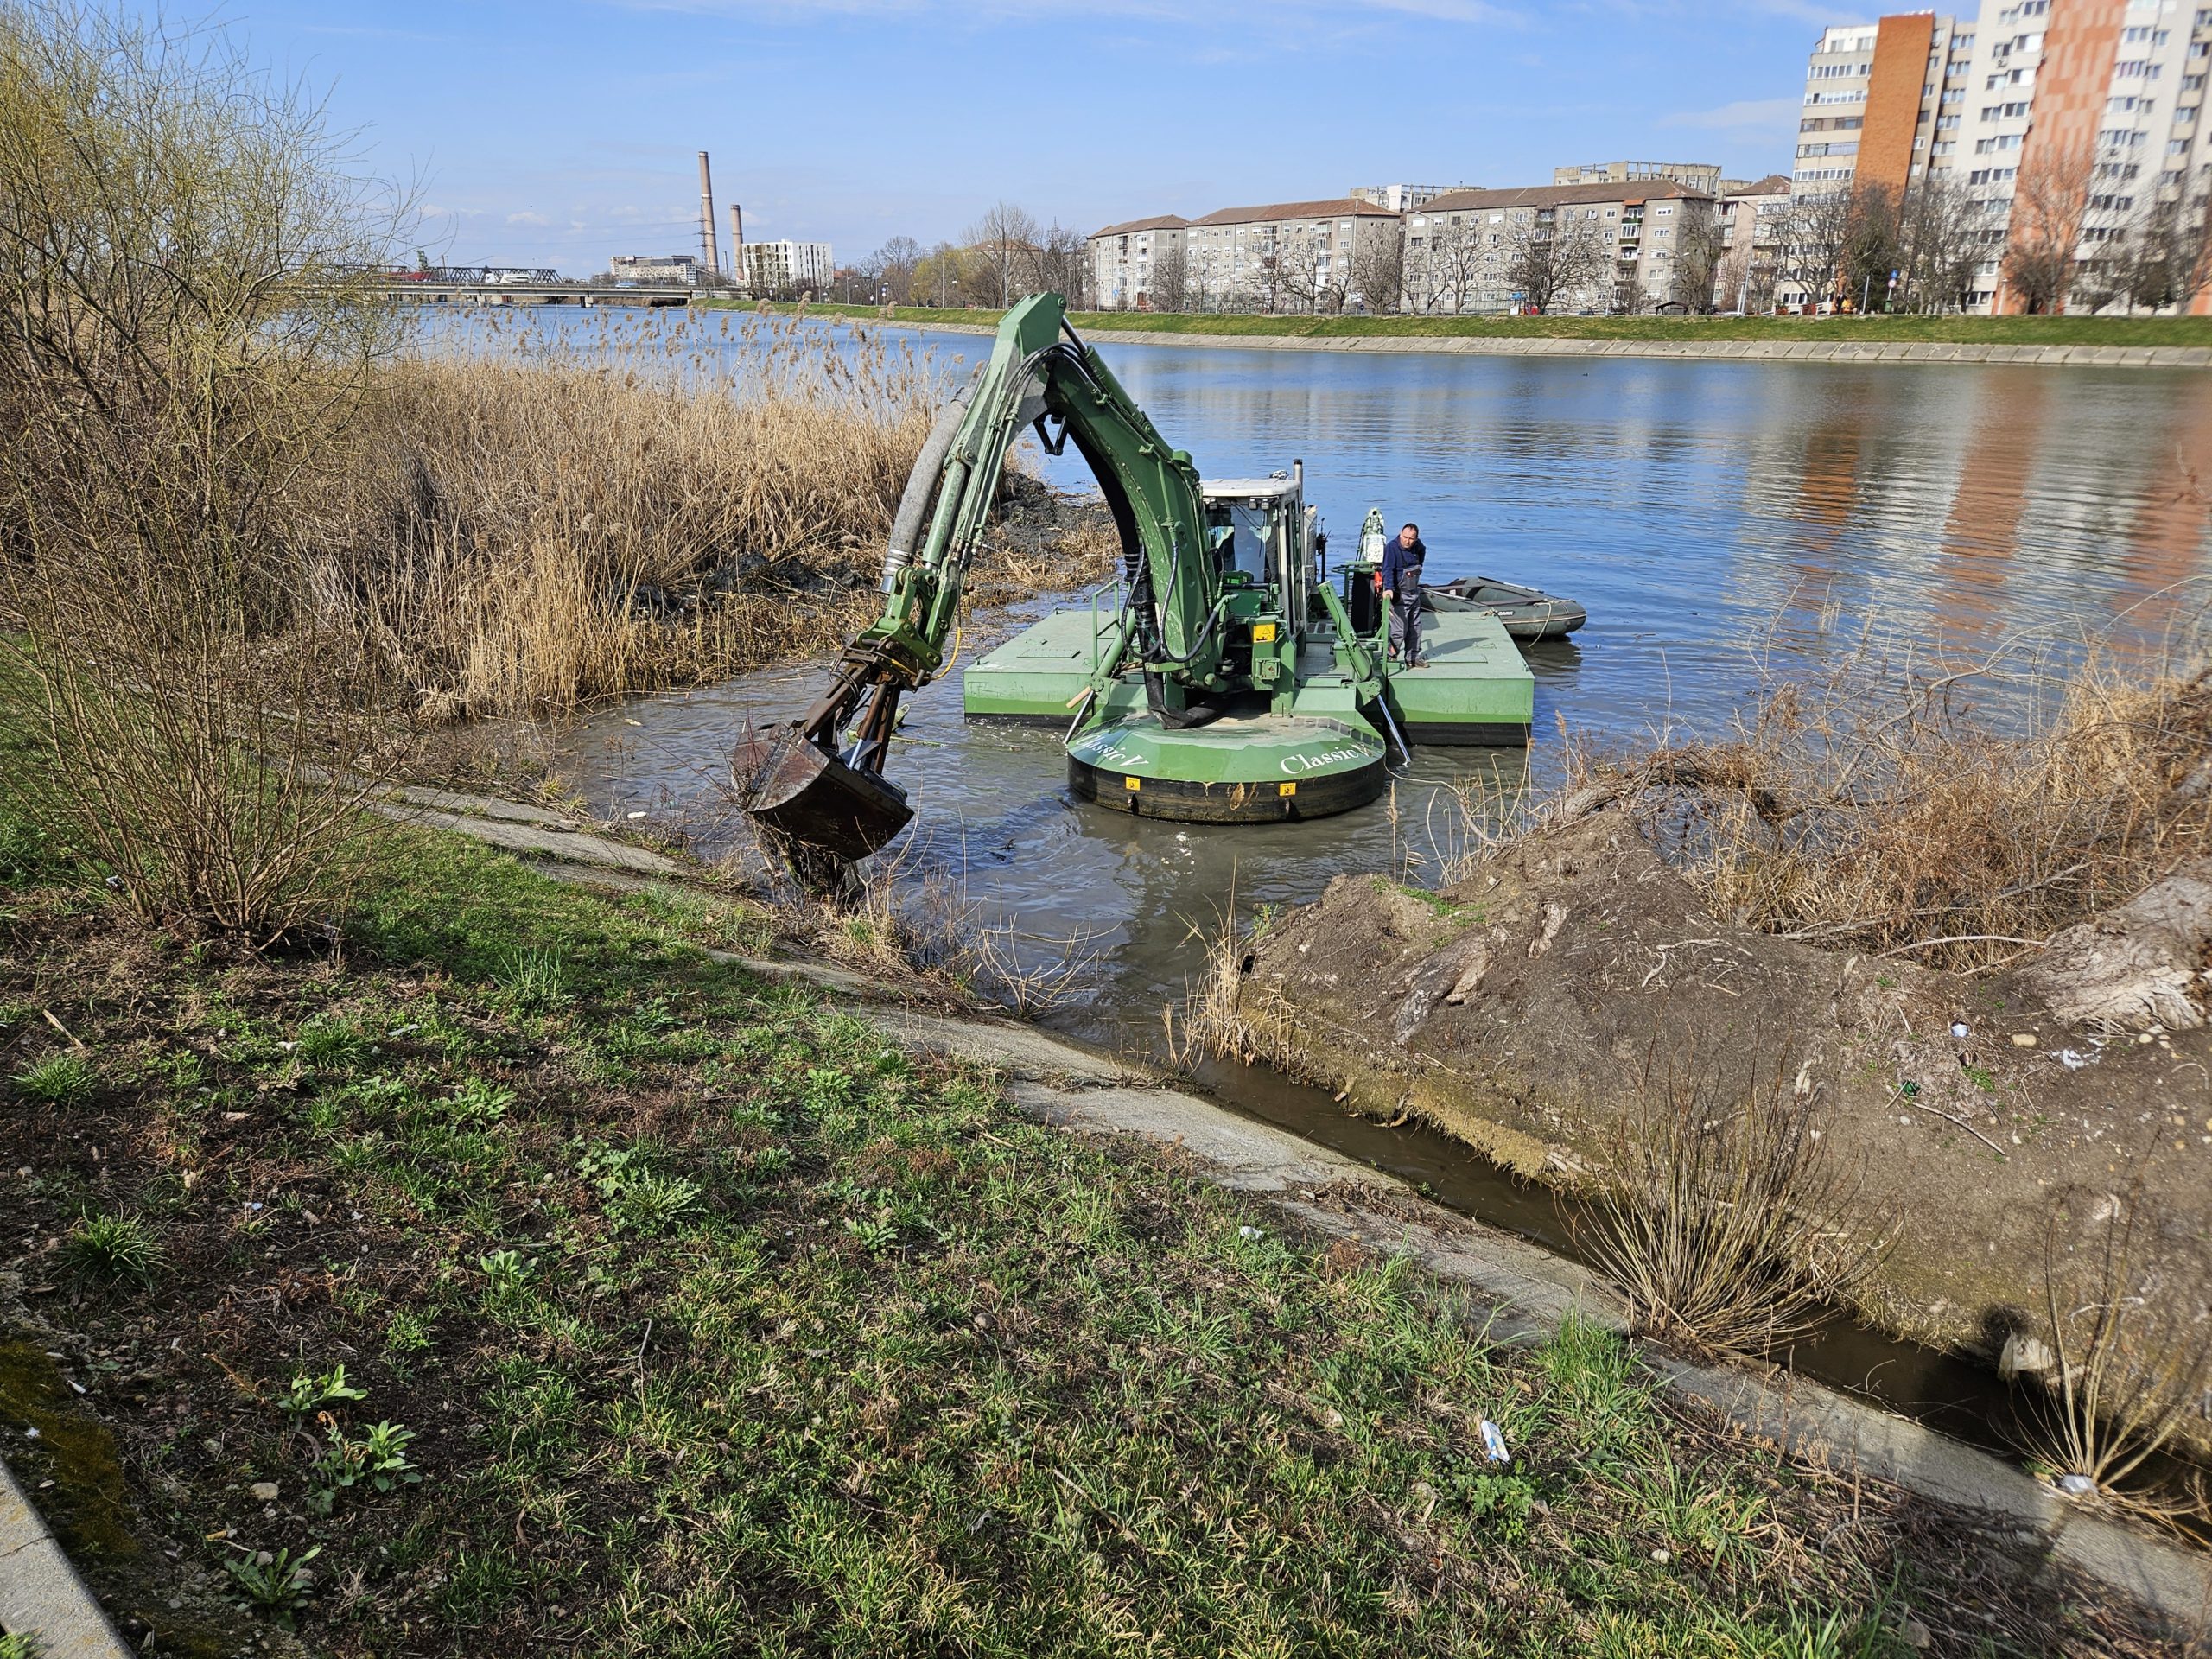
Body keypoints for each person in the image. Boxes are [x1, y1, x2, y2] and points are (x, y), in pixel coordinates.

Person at [1381, 521, 1427, 668]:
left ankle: (1413, 657)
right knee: (1399, 629)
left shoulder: (1419, 547)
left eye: (1411, 539)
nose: (1407, 541)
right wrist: (1388, 588)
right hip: (1399, 595)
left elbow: (1421, 559)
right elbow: (1387, 570)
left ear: (1416, 539)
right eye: (1405, 537)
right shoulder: (1392, 548)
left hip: (1414, 593)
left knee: (1415, 628)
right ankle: (1390, 656)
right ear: (1400, 534)